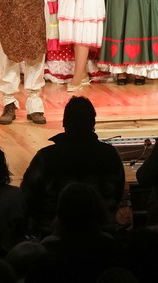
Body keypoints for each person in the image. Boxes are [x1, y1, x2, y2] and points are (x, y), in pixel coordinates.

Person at [20, 96, 125, 238]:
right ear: (93, 123)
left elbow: (27, 196)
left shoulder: (46, 157)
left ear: (64, 123)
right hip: (101, 237)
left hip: (54, 237)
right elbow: (118, 193)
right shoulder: (110, 154)